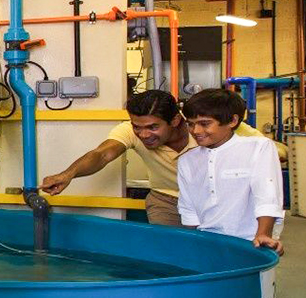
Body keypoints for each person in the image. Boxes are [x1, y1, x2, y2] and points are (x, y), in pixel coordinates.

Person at [177, 87, 296, 298]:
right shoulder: (188, 161)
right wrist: (191, 251)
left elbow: (267, 192)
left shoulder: (257, 148)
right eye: (192, 124)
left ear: (232, 121)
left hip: (249, 248)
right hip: (209, 248)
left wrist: (263, 236)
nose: (197, 131)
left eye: (204, 124)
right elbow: (188, 210)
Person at [40, 89, 282, 226]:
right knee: (175, 252)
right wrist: (67, 174)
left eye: (153, 127)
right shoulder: (132, 131)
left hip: (215, 201)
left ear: (176, 121)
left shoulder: (211, 132)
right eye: (137, 127)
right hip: (166, 200)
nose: (143, 134)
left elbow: (272, 152)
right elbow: (102, 154)